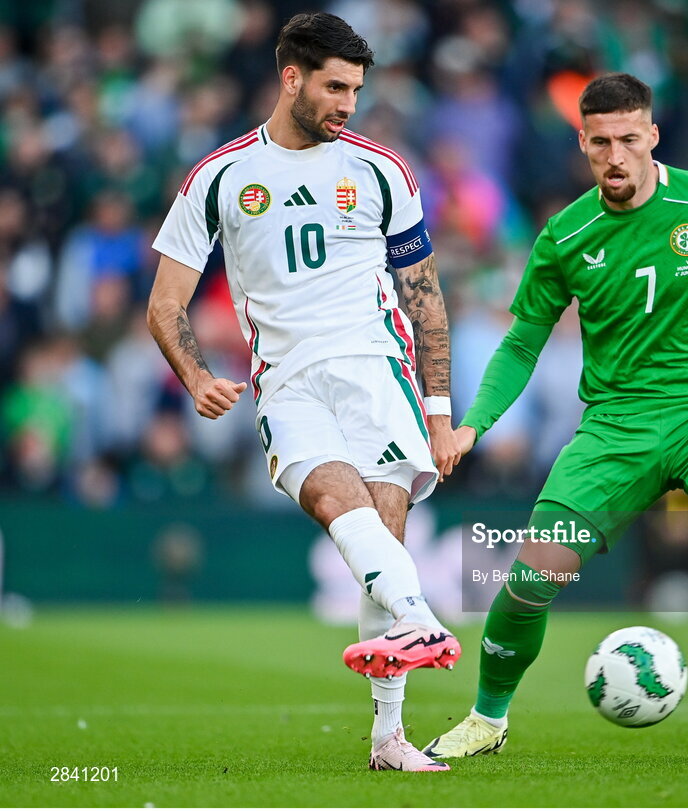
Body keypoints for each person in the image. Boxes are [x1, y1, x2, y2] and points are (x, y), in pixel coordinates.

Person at [424, 73, 688, 762]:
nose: (616, 155)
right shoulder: (566, 235)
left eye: (630, 139)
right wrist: (473, 423)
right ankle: (488, 719)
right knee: (531, 576)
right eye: (601, 141)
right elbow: (522, 341)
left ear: (653, 135)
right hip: (617, 426)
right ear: (582, 142)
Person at [147, 12, 460, 772]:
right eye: (335, 87)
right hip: (285, 379)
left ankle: (388, 737)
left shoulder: (384, 170)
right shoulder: (219, 176)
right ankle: (420, 618)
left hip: (375, 370)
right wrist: (196, 377)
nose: (349, 102)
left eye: (356, 88)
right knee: (333, 501)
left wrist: (441, 411)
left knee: (381, 531)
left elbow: (424, 297)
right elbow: (165, 303)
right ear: (292, 79)